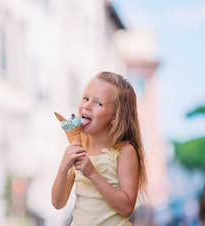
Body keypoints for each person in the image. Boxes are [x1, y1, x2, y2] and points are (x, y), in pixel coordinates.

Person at [51, 72, 147, 226]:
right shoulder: (80, 148)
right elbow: (58, 202)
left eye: (98, 103)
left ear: (115, 116)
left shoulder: (124, 151)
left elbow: (127, 208)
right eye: (86, 98)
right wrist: (64, 167)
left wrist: (93, 173)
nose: (87, 105)